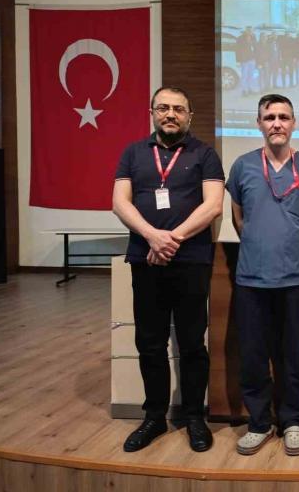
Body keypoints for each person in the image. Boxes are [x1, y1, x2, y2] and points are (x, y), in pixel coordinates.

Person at [112, 86, 225, 453]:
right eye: (163, 108)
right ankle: (154, 417)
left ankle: (194, 417)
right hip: (145, 260)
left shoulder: (205, 154)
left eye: (179, 108)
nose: (171, 114)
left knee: (192, 343)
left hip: (191, 261)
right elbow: (119, 202)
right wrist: (151, 236)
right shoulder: (133, 153)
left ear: (189, 115)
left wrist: (170, 240)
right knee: (149, 342)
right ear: (152, 113)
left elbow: (213, 206)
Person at [226, 94, 299, 456]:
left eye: (284, 116)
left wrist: (295, 243)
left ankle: (294, 421)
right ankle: (259, 422)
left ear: (294, 123)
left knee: (295, 354)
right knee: (253, 354)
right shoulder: (243, 166)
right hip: (252, 279)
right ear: (259, 124)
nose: (277, 123)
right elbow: (239, 218)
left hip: (297, 279)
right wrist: (260, 243)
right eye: (269, 117)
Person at [235, 26, 257, 96]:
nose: (250, 32)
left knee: (251, 75)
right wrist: (238, 60)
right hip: (244, 60)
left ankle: (250, 89)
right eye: (248, 30)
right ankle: (244, 91)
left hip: (252, 59)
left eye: (251, 31)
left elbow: (256, 47)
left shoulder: (253, 37)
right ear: (246, 31)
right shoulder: (240, 38)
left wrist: (256, 58)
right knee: (244, 76)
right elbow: (237, 50)